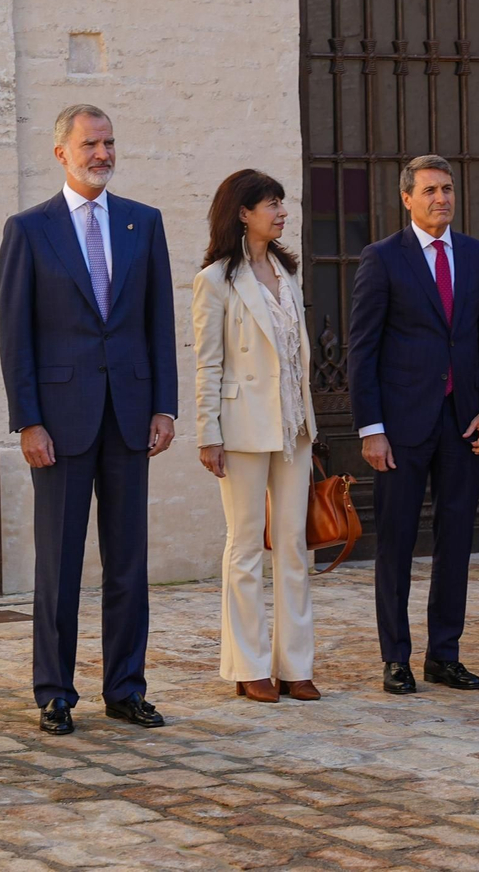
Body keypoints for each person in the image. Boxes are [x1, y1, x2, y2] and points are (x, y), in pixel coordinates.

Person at [0, 103, 178, 735]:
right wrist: (28, 420)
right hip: (61, 422)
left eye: (108, 143)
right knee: (60, 564)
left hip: (130, 416)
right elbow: (14, 333)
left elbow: (160, 322)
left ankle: (126, 688)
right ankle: (55, 691)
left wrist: (164, 404)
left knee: (128, 561)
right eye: (89, 144)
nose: (101, 153)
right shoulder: (29, 229)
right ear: (61, 153)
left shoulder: (142, 223)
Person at [348, 154, 479, 695]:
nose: (441, 198)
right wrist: (370, 428)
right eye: (430, 190)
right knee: (395, 544)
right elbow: (362, 350)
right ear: (407, 198)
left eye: (448, 189)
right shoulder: (382, 258)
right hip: (401, 426)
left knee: (456, 542)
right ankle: (396, 657)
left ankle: (445, 654)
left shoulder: (477, 256)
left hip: (462, 421)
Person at [192, 170, 320, 704]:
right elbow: (208, 363)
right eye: (272, 204)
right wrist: (207, 434)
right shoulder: (217, 279)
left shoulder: (288, 273)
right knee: (245, 545)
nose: (282, 212)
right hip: (242, 428)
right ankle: (248, 665)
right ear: (243, 212)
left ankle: (296, 664)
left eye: (282, 204)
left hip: (294, 427)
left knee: (293, 546)